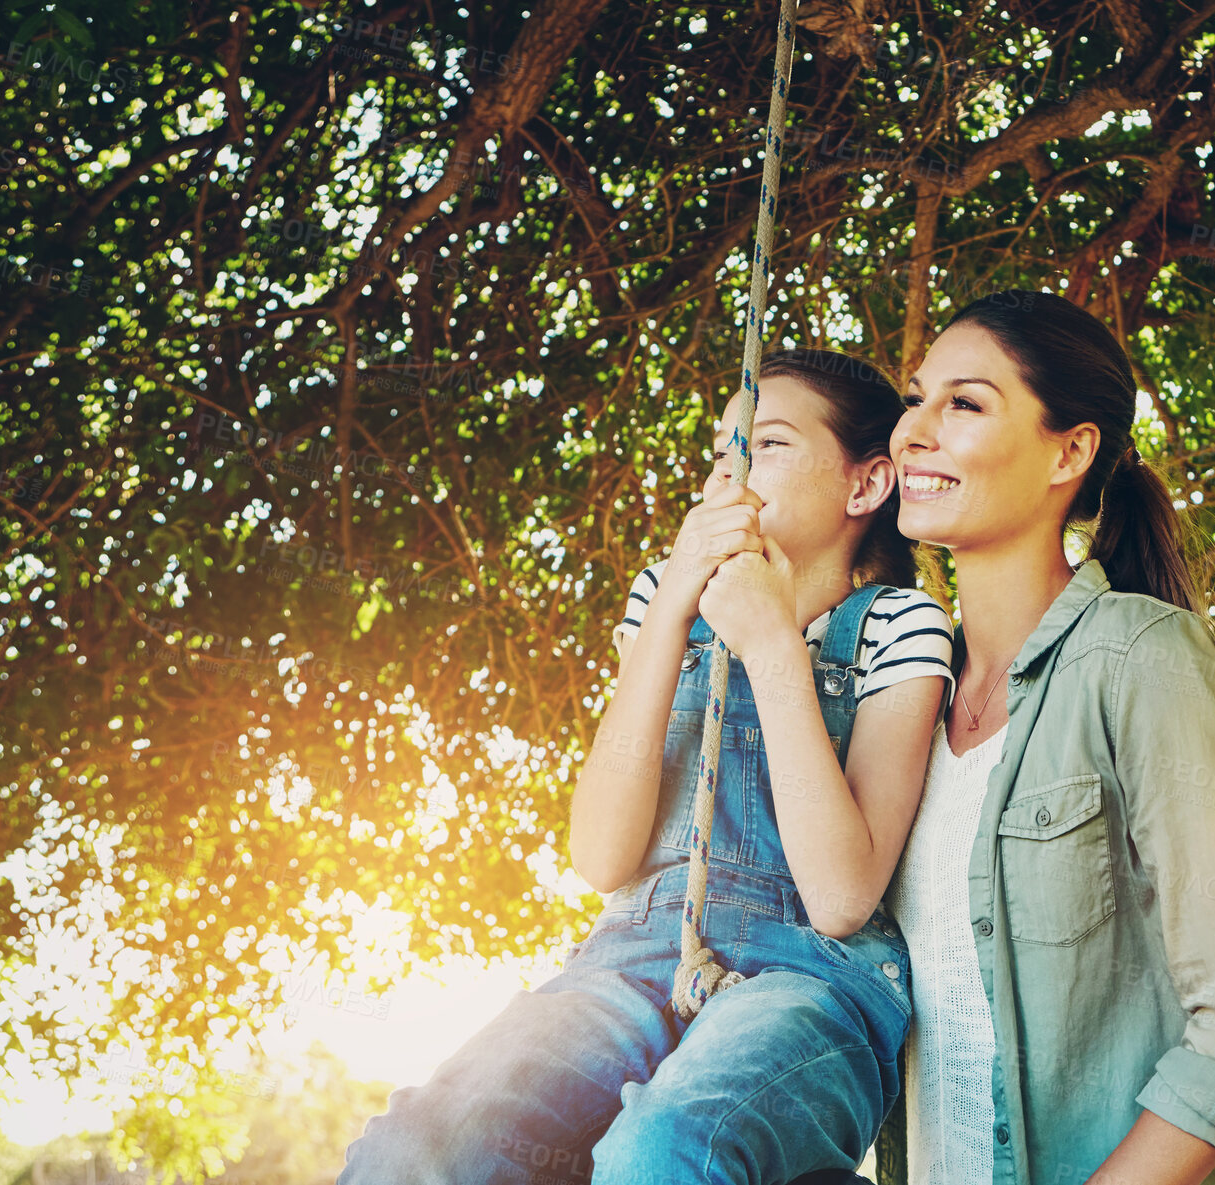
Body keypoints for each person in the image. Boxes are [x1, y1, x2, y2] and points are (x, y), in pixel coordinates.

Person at [335, 347, 953, 1185]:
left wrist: (772, 642)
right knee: (417, 1145)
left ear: (865, 484)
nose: (727, 475)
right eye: (719, 454)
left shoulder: (899, 625)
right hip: (633, 953)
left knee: (667, 1143)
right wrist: (671, 610)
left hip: (810, 974)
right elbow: (601, 855)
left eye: (765, 445)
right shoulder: (662, 599)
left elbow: (842, 899)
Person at [879, 289, 1215, 1185]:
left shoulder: (1142, 658)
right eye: (914, 396)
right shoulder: (904, 705)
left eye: (963, 403)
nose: (911, 431)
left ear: (1070, 451)